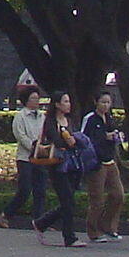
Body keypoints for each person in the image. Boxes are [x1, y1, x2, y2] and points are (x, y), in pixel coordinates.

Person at [78, 88, 128, 242]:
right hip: (96, 163)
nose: (106, 106)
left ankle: (110, 227)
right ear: (96, 102)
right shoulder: (91, 119)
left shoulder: (109, 118)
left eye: (108, 103)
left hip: (110, 161)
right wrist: (103, 136)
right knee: (97, 199)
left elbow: (114, 134)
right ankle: (94, 231)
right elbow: (84, 139)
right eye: (103, 102)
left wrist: (117, 137)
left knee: (118, 194)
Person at [34, 93, 83, 247]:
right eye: (65, 101)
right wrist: (67, 140)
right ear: (57, 104)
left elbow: (77, 139)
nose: (68, 104)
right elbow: (57, 140)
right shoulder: (50, 122)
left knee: (69, 201)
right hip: (57, 164)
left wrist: (73, 140)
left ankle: (42, 222)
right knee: (67, 200)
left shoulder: (69, 120)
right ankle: (69, 237)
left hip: (72, 163)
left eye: (69, 101)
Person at [8, 87, 51, 225]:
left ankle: (39, 221)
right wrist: (33, 147)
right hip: (25, 158)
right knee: (25, 189)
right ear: (26, 100)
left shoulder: (42, 116)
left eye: (37, 97)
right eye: (33, 98)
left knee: (41, 190)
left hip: (40, 158)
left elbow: (46, 133)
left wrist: (44, 147)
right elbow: (20, 135)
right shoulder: (20, 117)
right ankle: (7, 213)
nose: (36, 101)